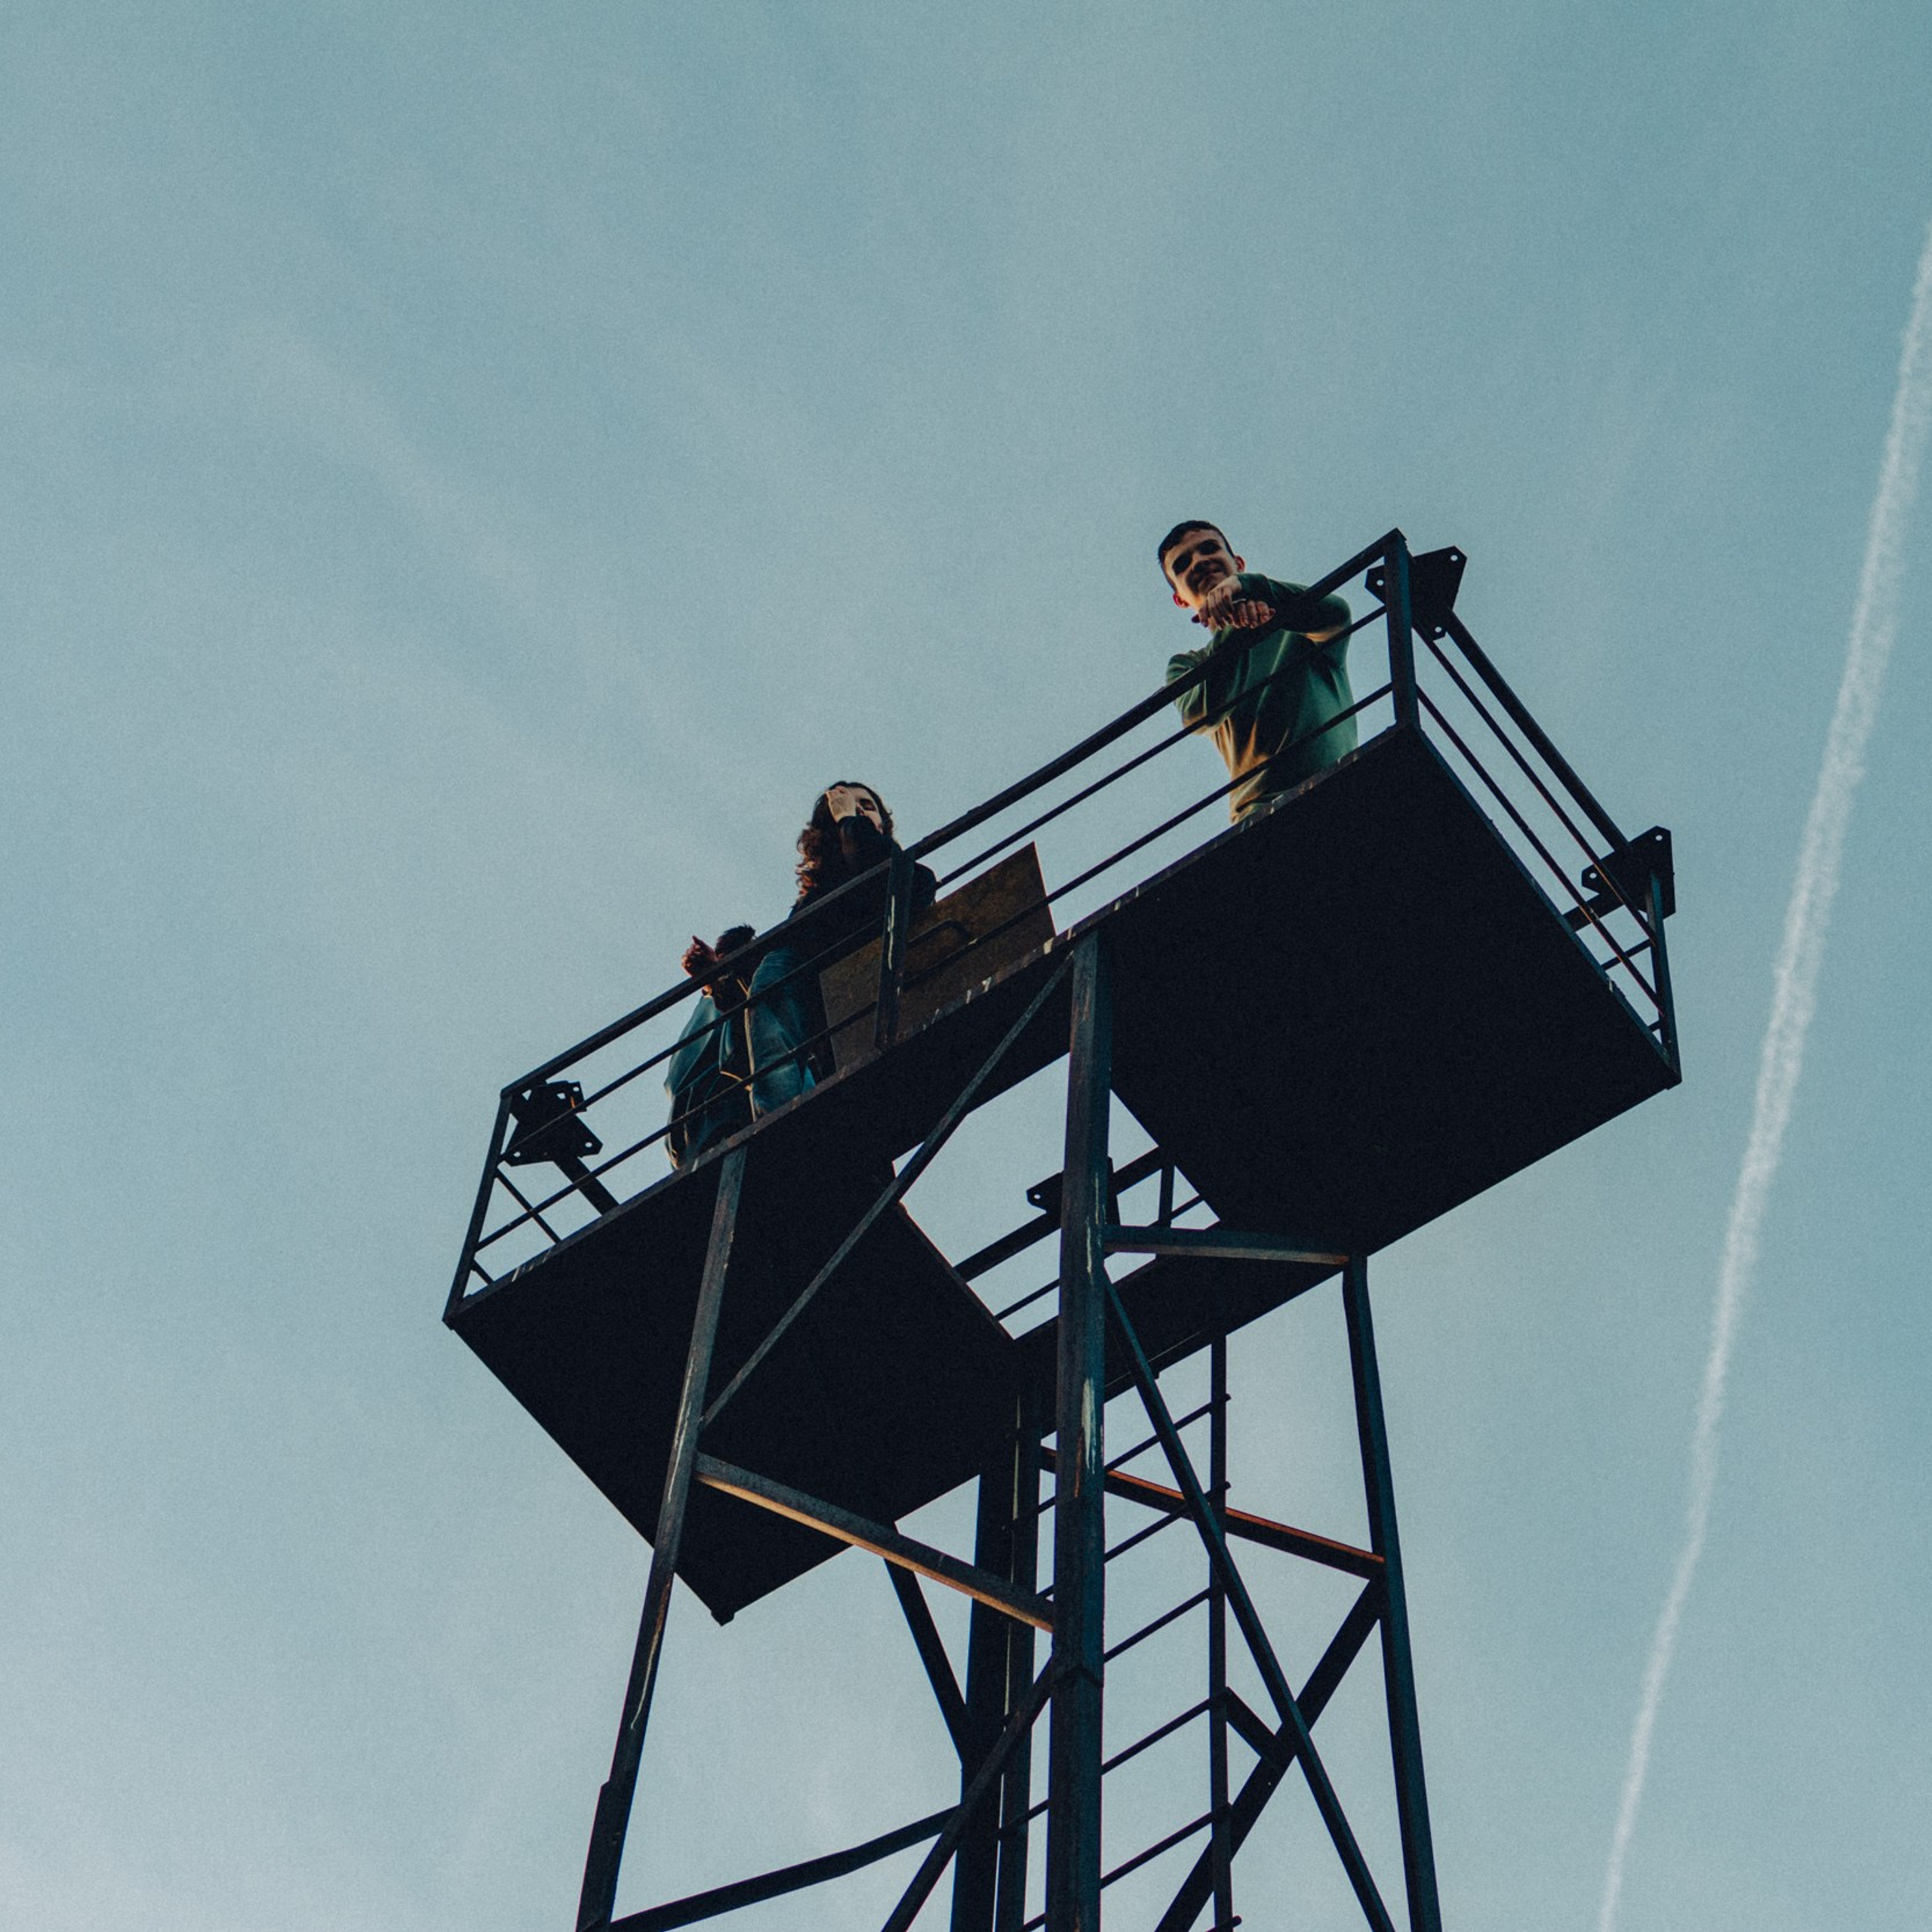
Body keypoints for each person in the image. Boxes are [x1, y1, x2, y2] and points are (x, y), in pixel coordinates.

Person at [745, 782, 937, 1115]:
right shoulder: (813, 903)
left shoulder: (905, 870)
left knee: (778, 967)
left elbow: (897, 881)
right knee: (775, 968)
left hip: (879, 1004)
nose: (858, 809)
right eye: (847, 805)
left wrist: (850, 822)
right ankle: (781, 1113)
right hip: (826, 1029)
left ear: (882, 824)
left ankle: (785, 1112)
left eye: (867, 806)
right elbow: (775, 993)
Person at [1158, 521, 1356, 820]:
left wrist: (1251, 588)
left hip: (1340, 787)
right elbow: (1199, 715)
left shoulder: (1295, 624)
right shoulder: (1187, 666)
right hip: (1259, 816)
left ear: (1239, 564)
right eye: (1183, 564)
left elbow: (1337, 613)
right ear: (1180, 600)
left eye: (1209, 548)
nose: (1199, 562)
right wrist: (1238, 627)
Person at [664, 924, 756, 1166]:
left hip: (684, 1143)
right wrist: (716, 977)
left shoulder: (701, 1013)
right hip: (729, 1119)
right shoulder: (739, 991)